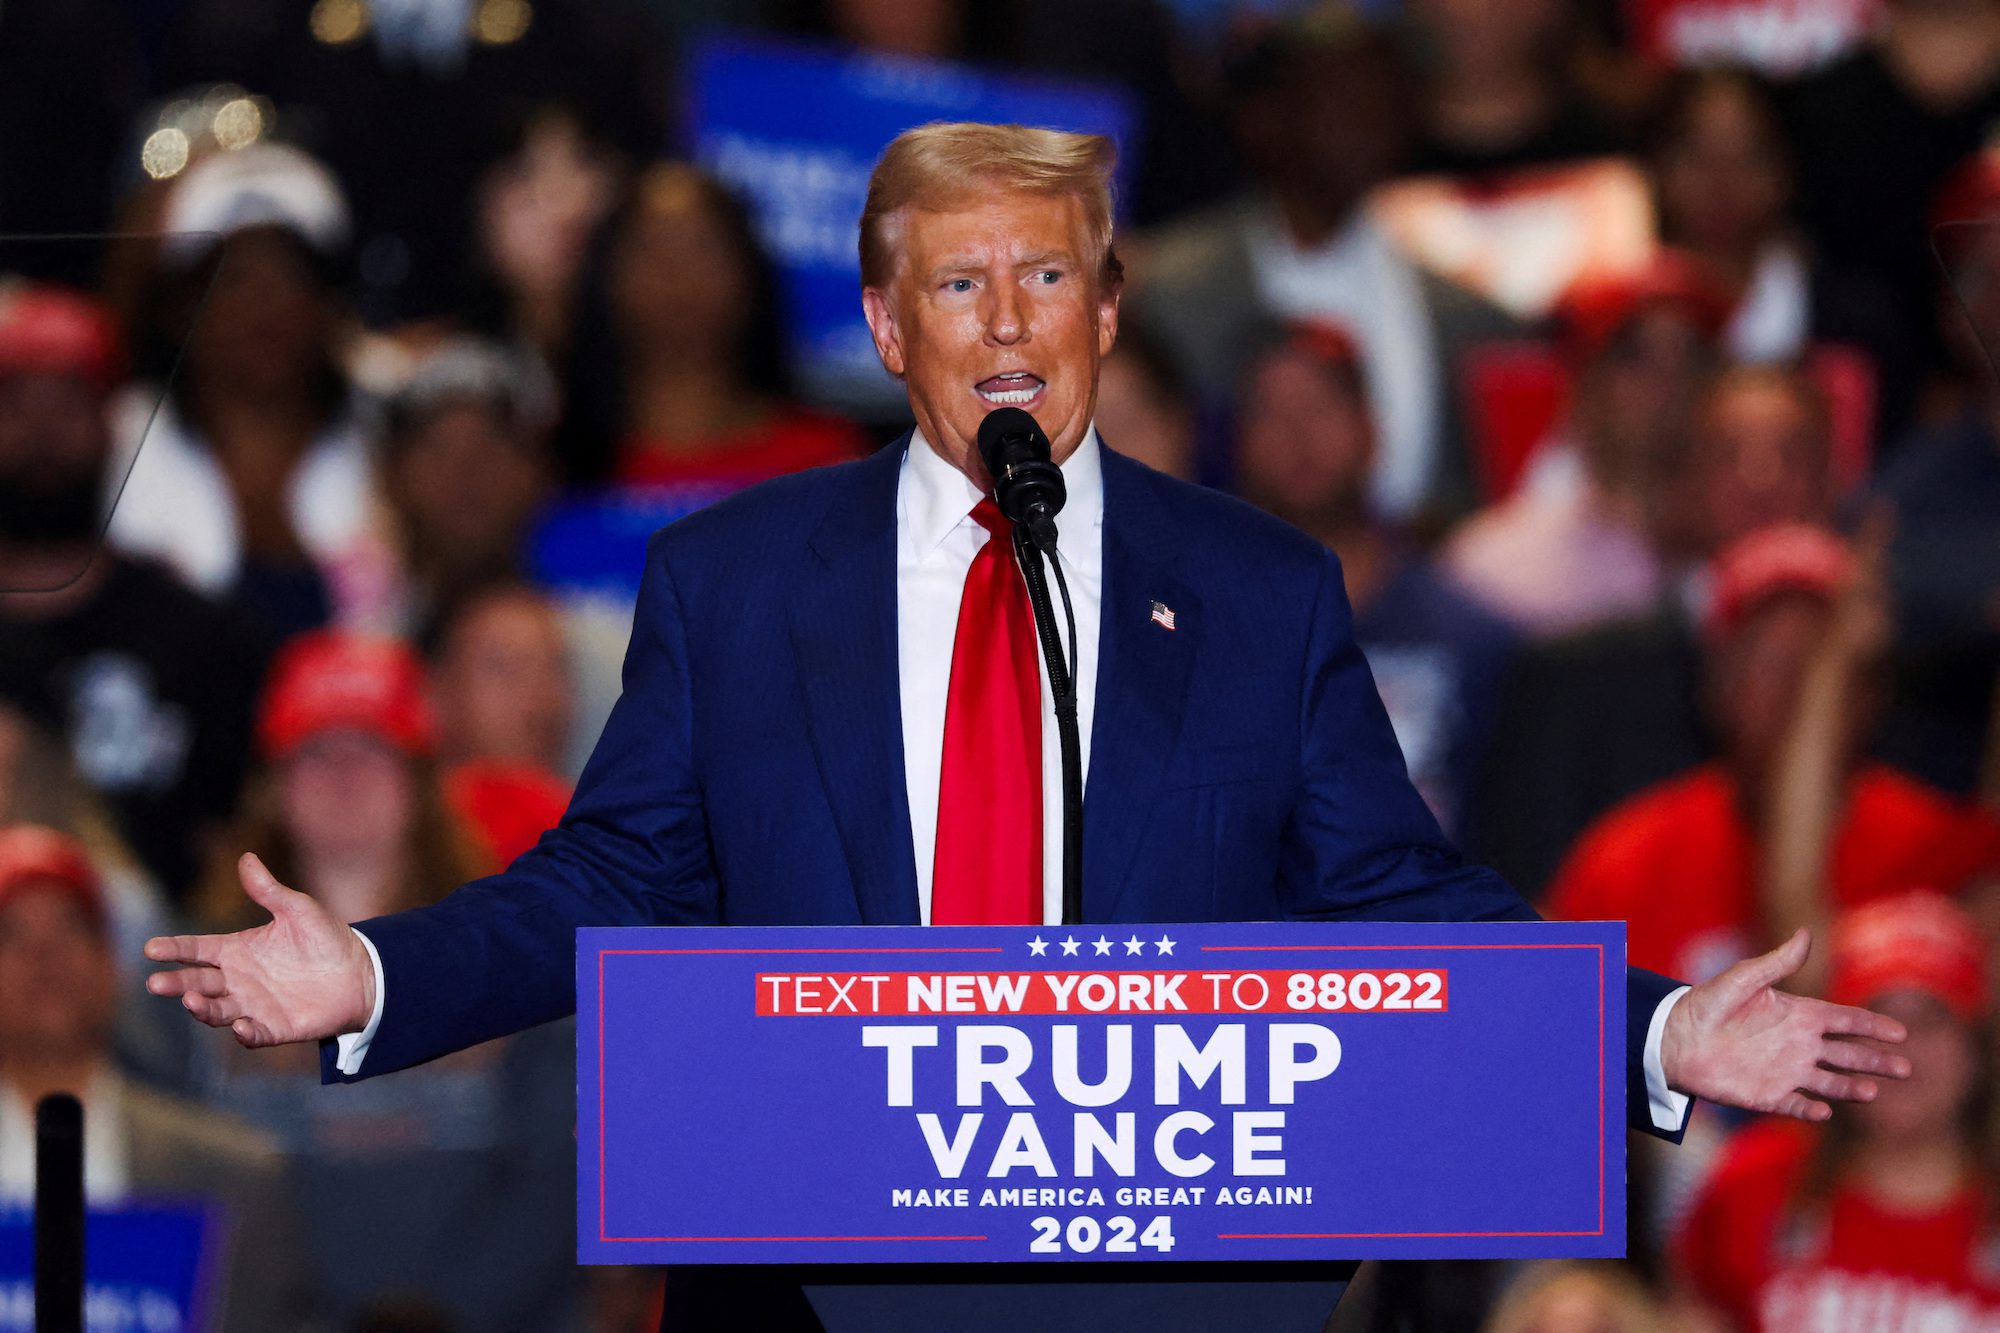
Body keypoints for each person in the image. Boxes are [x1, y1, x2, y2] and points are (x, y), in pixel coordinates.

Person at [146, 121, 1910, 1330]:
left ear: (1114, 305)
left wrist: (1656, 1032)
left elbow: (1396, 893)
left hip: (1164, 1281)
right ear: (883, 321)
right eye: (962, 284)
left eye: (1050, 280)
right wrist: (375, 976)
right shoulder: (735, 582)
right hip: (807, 1284)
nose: (1009, 324)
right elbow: (613, 875)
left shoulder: (1260, 588)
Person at [191, 629, 580, 1331]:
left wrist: (442, 1314)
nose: (344, 775)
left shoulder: (508, 955)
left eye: (370, 748)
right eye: (315, 751)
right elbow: (173, 1178)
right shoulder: (199, 969)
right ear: (273, 784)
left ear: (421, 782)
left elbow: (559, 1179)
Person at [1546, 524, 2000, 983]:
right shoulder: (1626, 866)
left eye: (1822, 665)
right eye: (1771, 663)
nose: (1797, 695)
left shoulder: (1941, 854)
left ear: (1871, 693)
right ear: (1716, 685)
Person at [1129, 9, 1520, 524]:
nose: (1369, 119)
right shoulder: (1166, 292)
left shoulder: (1469, 315)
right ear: (1267, 117)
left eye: (1386, 97)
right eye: (1341, 97)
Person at [1468, 364, 1843, 899]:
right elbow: (1523, 915)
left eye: (1792, 453)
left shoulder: (1905, 677)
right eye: (1728, 455)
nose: (1762, 479)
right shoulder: (1571, 683)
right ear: (1681, 486)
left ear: (1836, 479)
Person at [0, 281, 275, 905]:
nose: (42, 431)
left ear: (112, 423)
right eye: (15, 404)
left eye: (67, 402)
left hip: (167, 974)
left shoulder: (207, 641)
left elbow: (244, 847)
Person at [0, 823, 318, 1331]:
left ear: (112, 967)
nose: (45, 956)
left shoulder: (233, 1178)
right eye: (11, 933)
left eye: (70, 928)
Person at [1234, 320, 1516, 840]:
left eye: (1322, 407)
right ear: (1239, 443)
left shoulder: (1471, 638)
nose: (1300, 436)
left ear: (1371, 428)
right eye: (1272, 413)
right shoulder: (1202, 636)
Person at [106, 142, 398, 636]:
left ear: (330, 305)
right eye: (233, 279)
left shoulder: (392, 436)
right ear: (180, 309)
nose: (263, 309)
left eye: (290, 277)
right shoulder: (113, 443)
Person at [1674, 890, 2000, 1330]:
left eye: (1930, 1020)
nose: (1898, 1047)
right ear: (1828, 1041)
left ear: (1976, 1045)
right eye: (1872, 1019)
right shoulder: (1751, 1183)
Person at [1442, 254, 1725, 637]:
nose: (1669, 381)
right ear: (1583, 386)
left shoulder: (1751, 547)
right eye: (1635, 357)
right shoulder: (1494, 570)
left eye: (1693, 357)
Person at [560, 162, 871, 491]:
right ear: (605, 280)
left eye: (703, 248)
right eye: (650, 249)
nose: (677, 274)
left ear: (750, 276)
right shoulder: (551, 465)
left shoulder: (829, 460)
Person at [380, 336, 560, 639]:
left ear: (536, 472)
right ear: (394, 477)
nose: (464, 474)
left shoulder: (599, 648)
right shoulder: (360, 639)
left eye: (489, 448)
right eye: (438, 451)